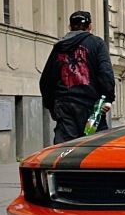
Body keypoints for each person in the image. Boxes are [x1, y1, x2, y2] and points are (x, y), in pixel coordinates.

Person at [40, 10, 115, 143]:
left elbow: (46, 80)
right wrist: (107, 99)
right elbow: (106, 73)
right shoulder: (97, 44)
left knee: (66, 147)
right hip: (90, 105)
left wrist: (51, 106)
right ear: (90, 27)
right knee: (94, 145)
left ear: (69, 27)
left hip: (65, 103)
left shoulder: (59, 47)